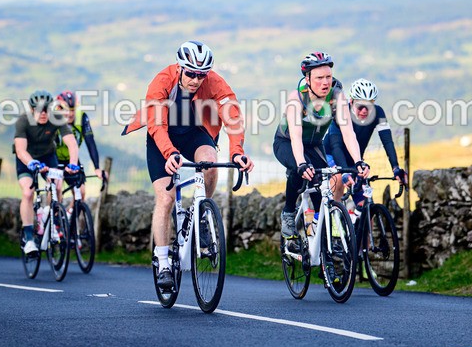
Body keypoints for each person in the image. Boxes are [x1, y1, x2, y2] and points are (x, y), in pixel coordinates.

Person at [122, 40, 254, 290]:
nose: (196, 79)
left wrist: (237, 152)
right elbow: (157, 125)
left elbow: (233, 116)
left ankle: (202, 212)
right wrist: (170, 153)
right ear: (180, 68)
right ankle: (162, 263)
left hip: (194, 130)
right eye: (191, 73)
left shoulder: (214, 82)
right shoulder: (162, 81)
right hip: (162, 135)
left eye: (201, 75)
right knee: (166, 198)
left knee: (210, 162)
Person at [273, 52, 369, 281]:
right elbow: (295, 138)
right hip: (287, 143)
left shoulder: (337, 96)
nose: (325, 82)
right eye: (319, 78)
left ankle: (321, 238)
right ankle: (288, 213)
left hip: (314, 145)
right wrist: (301, 163)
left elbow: (348, 131)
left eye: (328, 76)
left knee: (325, 184)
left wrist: (358, 161)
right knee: (301, 171)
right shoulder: (296, 99)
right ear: (307, 79)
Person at [14, 90, 80, 255]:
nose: (43, 114)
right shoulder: (23, 121)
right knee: (28, 193)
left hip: (48, 156)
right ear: (32, 110)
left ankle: (48, 217)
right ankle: (29, 239)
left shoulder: (56, 117)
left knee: (57, 186)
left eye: (46, 110)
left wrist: (72, 164)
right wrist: (31, 163)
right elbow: (20, 150)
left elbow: (71, 143)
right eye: (39, 110)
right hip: (26, 160)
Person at [325, 78, 408, 206]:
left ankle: (356, 217)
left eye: (369, 105)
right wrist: (344, 172)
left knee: (366, 206)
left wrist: (395, 167)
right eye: (361, 106)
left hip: (354, 160)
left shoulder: (378, 112)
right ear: (351, 101)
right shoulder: (340, 111)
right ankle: (334, 217)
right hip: (331, 155)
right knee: (339, 179)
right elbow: (335, 146)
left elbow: (387, 141)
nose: (365, 110)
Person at [54, 90, 107, 206]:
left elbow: (90, 142)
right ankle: (51, 215)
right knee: (56, 189)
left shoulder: (81, 117)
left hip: (71, 158)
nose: (70, 114)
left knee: (81, 192)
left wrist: (97, 168)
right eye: (67, 110)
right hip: (54, 158)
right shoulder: (54, 119)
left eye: (72, 110)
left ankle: (70, 215)